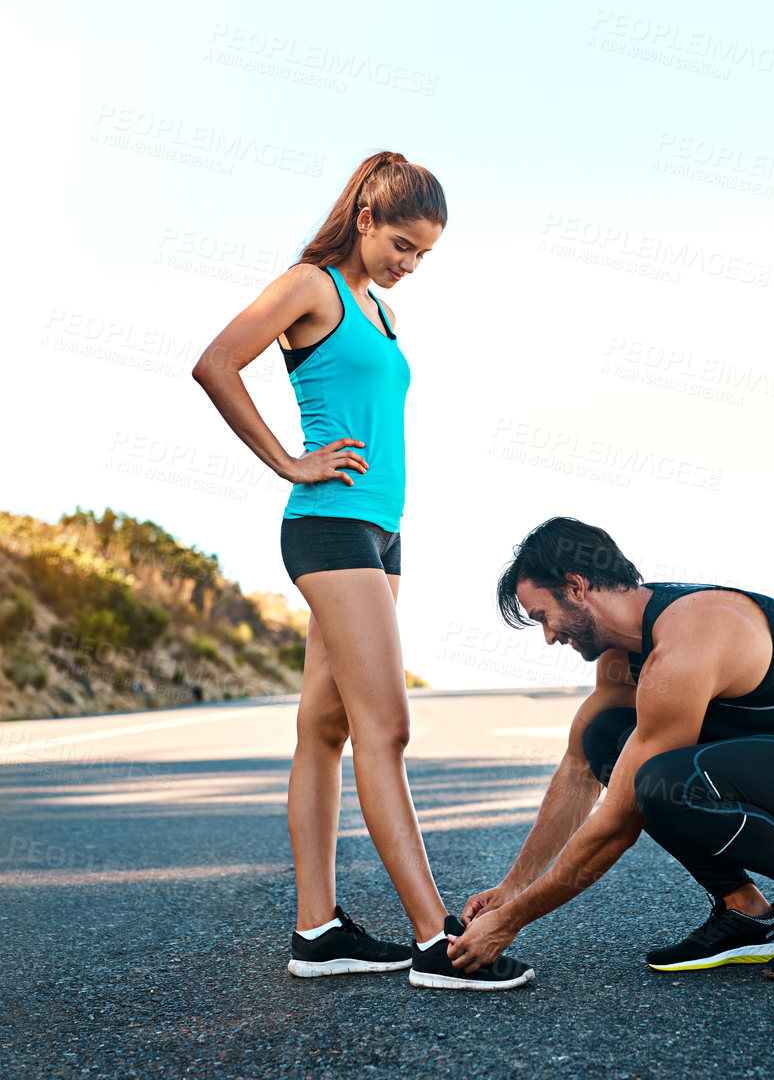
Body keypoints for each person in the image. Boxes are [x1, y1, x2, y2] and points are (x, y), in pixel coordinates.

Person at [192, 151, 533, 991]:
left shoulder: (379, 310)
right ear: (366, 219)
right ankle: (434, 940)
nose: (409, 265)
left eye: (423, 256)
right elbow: (214, 362)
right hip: (330, 526)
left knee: (326, 728)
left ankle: (318, 932)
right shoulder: (311, 285)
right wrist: (288, 461)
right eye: (402, 245)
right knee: (387, 728)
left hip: (380, 532)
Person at [451, 516, 774, 982]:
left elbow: (619, 821)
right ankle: (748, 916)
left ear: (576, 588)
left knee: (663, 783)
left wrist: (511, 922)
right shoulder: (626, 645)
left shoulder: (687, 640)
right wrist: (510, 891)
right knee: (606, 734)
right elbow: (579, 769)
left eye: (542, 617)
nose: (550, 636)